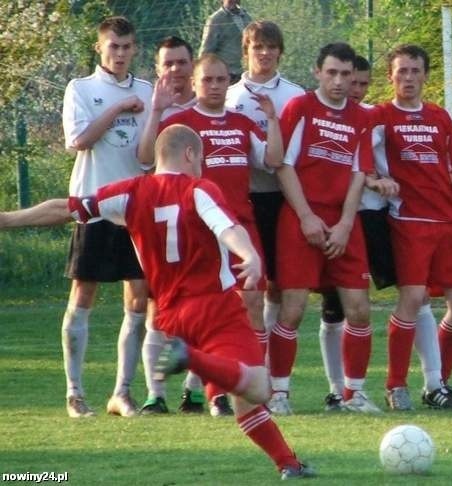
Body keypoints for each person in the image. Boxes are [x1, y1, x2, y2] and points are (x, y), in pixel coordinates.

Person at [0, 125, 315, 480]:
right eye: (202, 159)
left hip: (169, 318)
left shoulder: (130, 193)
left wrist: (7, 219)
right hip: (215, 308)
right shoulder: (199, 188)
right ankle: (191, 359)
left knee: (243, 398)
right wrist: (250, 255)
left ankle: (289, 464)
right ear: (190, 154)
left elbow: (64, 208)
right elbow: (227, 227)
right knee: (258, 388)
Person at [318, 54, 449, 411]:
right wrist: (375, 181)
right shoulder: (326, 117)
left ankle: (434, 383)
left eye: (361, 83)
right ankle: (337, 389)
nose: (355, 89)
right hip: (337, 219)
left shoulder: (375, 118)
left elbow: (383, 164)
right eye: (349, 81)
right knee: (335, 308)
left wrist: (381, 183)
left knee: (416, 296)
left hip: (376, 220)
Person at [156, 53, 283, 416]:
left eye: (221, 80)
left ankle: (254, 383)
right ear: (194, 83)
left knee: (253, 304)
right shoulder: (181, 123)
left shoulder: (242, 123)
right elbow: (152, 159)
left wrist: (272, 119)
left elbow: (273, 161)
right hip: (199, 231)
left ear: (230, 83)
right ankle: (215, 393)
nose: (214, 86)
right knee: (210, 309)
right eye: (207, 80)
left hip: (241, 226)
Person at [268, 43, 388, 415]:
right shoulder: (300, 107)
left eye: (345, 74)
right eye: (332, 72)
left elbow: (358, 172)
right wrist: (305, 216)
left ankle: (354, 394)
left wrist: (345, 225)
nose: (339, 81)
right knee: (293, 308)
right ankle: (279, 394)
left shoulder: (360, 117)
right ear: (317, 72)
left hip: (342, 222)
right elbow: (283, 165)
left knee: (359, 309)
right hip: (300, 217)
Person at [371, 44, 452, 411]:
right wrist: (376, 181)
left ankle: (437, 383)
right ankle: (395, 385)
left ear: (425, 75)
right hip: (409, 221)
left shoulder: (439, 116)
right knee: (413, 298)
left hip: (447, 222)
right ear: (390, 76)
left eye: (415, 71)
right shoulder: (380, 116)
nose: (408, 78)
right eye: (401, 71)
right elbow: (360, 162)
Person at [60, 16, 152, 418]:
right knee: (83, 295)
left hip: (134, 211)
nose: (120, 53)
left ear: (135, 49)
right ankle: (75, 393)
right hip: (93, 207)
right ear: (100, 48)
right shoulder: (81, 89)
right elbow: (78, 141)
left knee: (138, 300)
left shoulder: (149, 91)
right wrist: (116, 109)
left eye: (127, 46)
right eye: (113, 46)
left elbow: (148, 156)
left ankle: (122, 392)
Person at [136, 36, 207, 417]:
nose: (176, 70)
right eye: (169, 64)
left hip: (204, 222)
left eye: (182, 63)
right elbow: (145, 158)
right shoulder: (155, 107)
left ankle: (193, 391)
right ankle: (154, 394)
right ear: (159, 67)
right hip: (160, 224)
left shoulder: (211, 107)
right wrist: (157, 111)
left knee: (201, 308)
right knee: (157, 309)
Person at [225, 21, 305, 335]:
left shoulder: (294, 94)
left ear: (280, 52)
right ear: (246, 50)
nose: (265, 53)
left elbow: (297, 153)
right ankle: (244, 350)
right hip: (241, 198)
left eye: (271, 47)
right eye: (258, 46)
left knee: (277, 283)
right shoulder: (230, 96)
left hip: (281, 198)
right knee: (245, 285)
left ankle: (268, 355)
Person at [198, 0, 252, 84]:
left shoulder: (246, 17)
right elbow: (206, 50)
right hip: (228, 75)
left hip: (246, 73)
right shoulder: (216, 19)